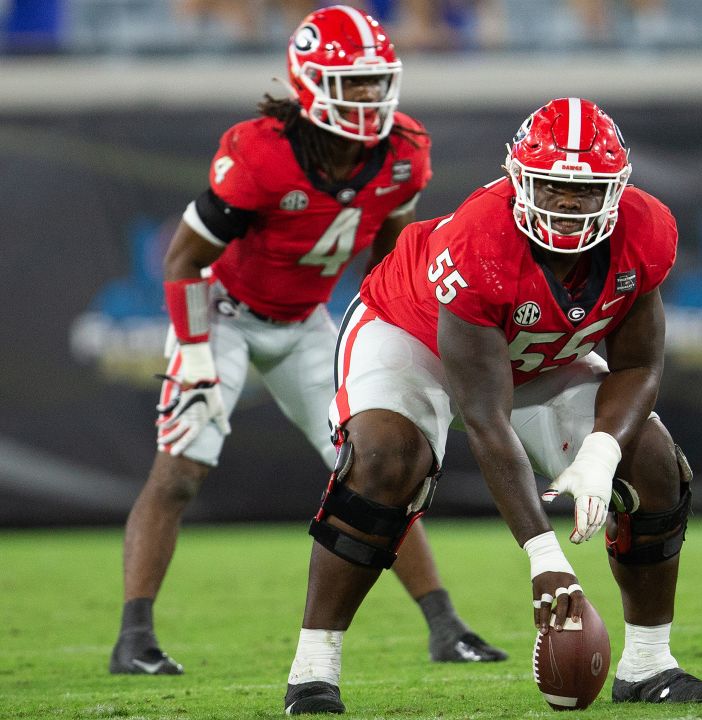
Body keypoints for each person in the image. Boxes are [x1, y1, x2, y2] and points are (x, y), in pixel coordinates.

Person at [281, 96, 702, 714]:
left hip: (538, 356)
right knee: (386, 462)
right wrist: (545, 558)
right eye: (550, 187)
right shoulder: (479, 239)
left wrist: (600, 455)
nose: (568, 206)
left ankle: (649, 663)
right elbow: (487, 419)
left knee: (651, 463)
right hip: (411, 333)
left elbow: (638, 365)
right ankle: (313, 670)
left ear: (619, 188)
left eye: (586, 190)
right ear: (519, 178)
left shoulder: (645, 229)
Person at [110, 4, 506, 676]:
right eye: (352, 83)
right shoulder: (260, 152)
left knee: (380, 468)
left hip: (306, 324)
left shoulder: (403, 152)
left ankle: (446, 625)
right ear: (310, 82)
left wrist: (397, 351)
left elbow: (388, 264)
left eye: (377, 82)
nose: (369, 97)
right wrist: (199, 355)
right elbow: (183, 259)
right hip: (223, 315)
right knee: (180, 470)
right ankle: (134, 638)